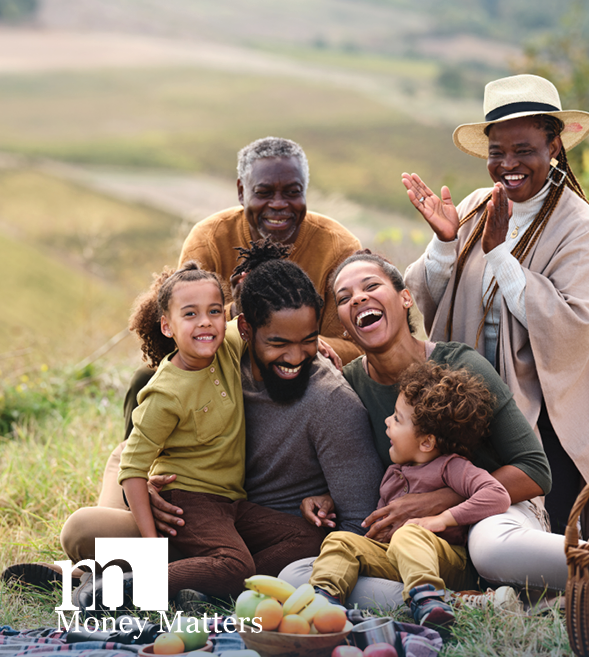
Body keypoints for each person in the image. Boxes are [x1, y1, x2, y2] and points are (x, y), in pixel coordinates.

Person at [57, 242, 382, 608]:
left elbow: (359, 525)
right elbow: (136, 458)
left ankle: (148, 580)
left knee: (287, 548)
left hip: (241, 518)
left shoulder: (327, 399)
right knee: (83, 526)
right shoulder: (208, 364)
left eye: (307, 339)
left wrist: (325, 499)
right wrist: (148, 493)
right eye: (279, 342)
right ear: (246, 330)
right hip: (189, 505)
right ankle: (146, 576)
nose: (295, 356)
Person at [402, 74, 589, 538]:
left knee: (545, 530)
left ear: (555, 146)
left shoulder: (581, 228)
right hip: (471, 404)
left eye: (524, 150)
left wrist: (499, 253)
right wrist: (445, 245)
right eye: (497, 152)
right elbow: (431, 299)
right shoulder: (477, 205)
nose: (509, 165)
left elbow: (571, 331)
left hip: (544, 417)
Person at [281, 251, 565, 607]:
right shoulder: (345, 388)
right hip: (414, 543)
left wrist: (438, 502)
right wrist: (326, 498)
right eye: (344, 298)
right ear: (341, 324)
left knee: (489, 548)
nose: (358, 298)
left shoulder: (459, 364)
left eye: (371, 286)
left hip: (495, 509)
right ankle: (465, 603)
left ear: (405, 297)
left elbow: (535, 470)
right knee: (296, 577)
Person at [122, 136, 362, 438]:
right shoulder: (210, 239)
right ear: (241, 191)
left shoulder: (337, 247)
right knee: (146, 379)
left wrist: (305, 345)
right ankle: (137, 473)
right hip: (222, 371)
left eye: (292, 192)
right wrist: (234, 309)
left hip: (304, 375)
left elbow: (356, 346)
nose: (278, 205)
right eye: (263, 193)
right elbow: (182, 329)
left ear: (305, 192)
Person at [120, 261, 312, 601]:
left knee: (310, 540)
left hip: (231, 502)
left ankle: (208, 581)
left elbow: (271, 328)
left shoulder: (227, 344)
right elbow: (132, 469)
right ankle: (136, 586)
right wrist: (151, 547)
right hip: (187, 500)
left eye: (213, 311)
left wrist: (313, 343)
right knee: (235, 566)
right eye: (190, 314)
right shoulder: (164, 392)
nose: (205, 322)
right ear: (168, 326)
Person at [309, 361, 510, 632]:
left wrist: (443, 519)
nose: (387, 422)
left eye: (397, 418)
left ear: (426, 442)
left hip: (448, 562)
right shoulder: (393, 473)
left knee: (409, 533)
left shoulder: (451, 466)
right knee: (341, 541)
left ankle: (429, 602)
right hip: (398, 559)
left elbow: (497, 495)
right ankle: (322, 605)